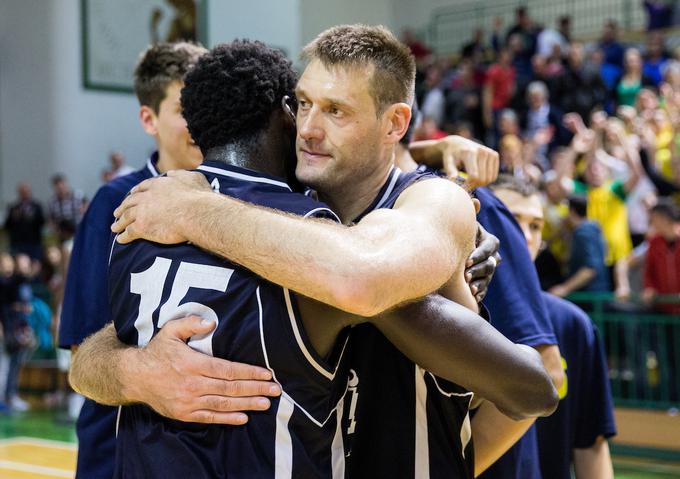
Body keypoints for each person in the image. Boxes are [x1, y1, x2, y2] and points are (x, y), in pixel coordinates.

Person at [73, 25, 557, 477]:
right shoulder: (281, 213)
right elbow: (93, 350)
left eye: (336, 110)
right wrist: (134, 369)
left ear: (395, 124)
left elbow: (530, 386)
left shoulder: (435, 200)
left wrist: (194, 209)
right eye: (303, 104)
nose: (308, 128)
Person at [58, 42, 278, 479]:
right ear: (149, 119)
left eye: (207, 104)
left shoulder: (254, 201)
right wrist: (144, 374)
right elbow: (84, 355)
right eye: (184, 108)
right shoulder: (114, 202)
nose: (200, 119)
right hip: (121, 451)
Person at [490, 175, 617, 479]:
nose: (524, 235)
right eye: (508, 220)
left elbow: (591, 444)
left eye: (535, 225)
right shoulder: (447, 313)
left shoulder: (572, 324)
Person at [549, 195, 611, 297]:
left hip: (590, 298)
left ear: (572, 212)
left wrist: (564, 288)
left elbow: (590, 269)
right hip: (593, 294)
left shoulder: (583, 233)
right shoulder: (592, 229)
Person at [643, 198, 680, 313]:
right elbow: (649, 271)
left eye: (653, 219)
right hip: (665, 310)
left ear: (664, 218)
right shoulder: (654, 242)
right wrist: (649, 288)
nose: (651, 223)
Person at [4, 182, 44, 260]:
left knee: (35, 264)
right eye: (22, 192)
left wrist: (32, 217)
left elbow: (42, 222)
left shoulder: (37, 206)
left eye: (26, 192)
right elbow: (6, 226)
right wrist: (14, 217)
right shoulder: (13, 207)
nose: (24, 194)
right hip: (17, 243)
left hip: (33, 242)